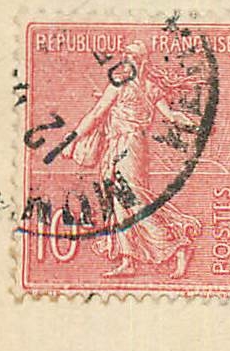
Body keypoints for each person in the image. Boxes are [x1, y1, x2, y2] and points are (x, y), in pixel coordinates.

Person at [65, 39, 202, 278]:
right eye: (126, 59)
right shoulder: (120, 86)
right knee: (119, 203)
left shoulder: (146, 88)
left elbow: (170, 115)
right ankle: (128, 260)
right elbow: (96, 115)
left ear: (142, 62)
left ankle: (178, 246)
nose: (127, 64)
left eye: (132, 60)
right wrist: (73, 138)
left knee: (135, 200)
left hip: (131, 146)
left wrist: (193, 123)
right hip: (114, 146)